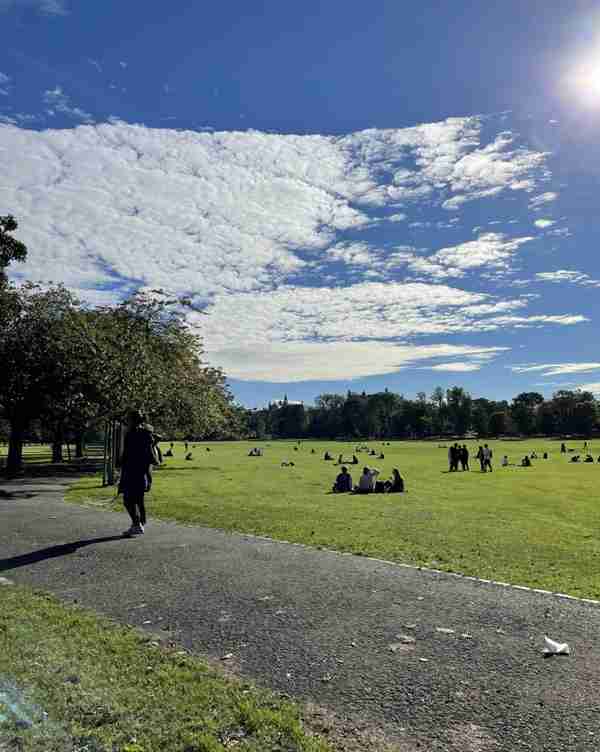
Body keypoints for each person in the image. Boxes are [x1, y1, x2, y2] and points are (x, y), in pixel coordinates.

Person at [118, 410, 157, 537]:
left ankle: (137, 525)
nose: (126, 422)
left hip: (132, 471)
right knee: (138, 499)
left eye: (128, 419)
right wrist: (149, 476)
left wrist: (121, 463)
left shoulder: (132, 434)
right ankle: (139, 523)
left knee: (128, 500)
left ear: (132, 421)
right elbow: (151, 457)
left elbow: (128, 454)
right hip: (142, 472)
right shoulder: (146, 434)